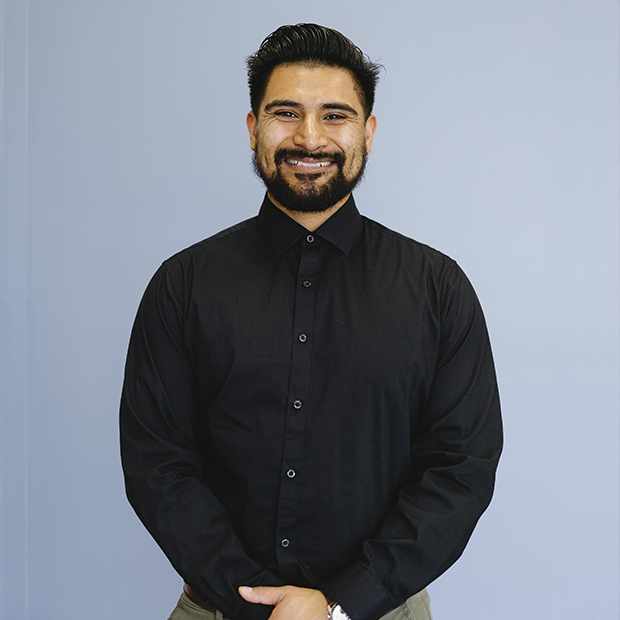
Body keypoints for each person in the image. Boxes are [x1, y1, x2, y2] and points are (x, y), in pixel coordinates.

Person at [120, 23, 502, 620]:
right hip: (220, 609)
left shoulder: (438, 289)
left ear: (367, 133)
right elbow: (157, 462)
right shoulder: (183, 285)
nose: (309, 137)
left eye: (335, 116)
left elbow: (461, 469)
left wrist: (340, 604)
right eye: (286, 113)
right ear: (253, 128)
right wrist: (256, 600)